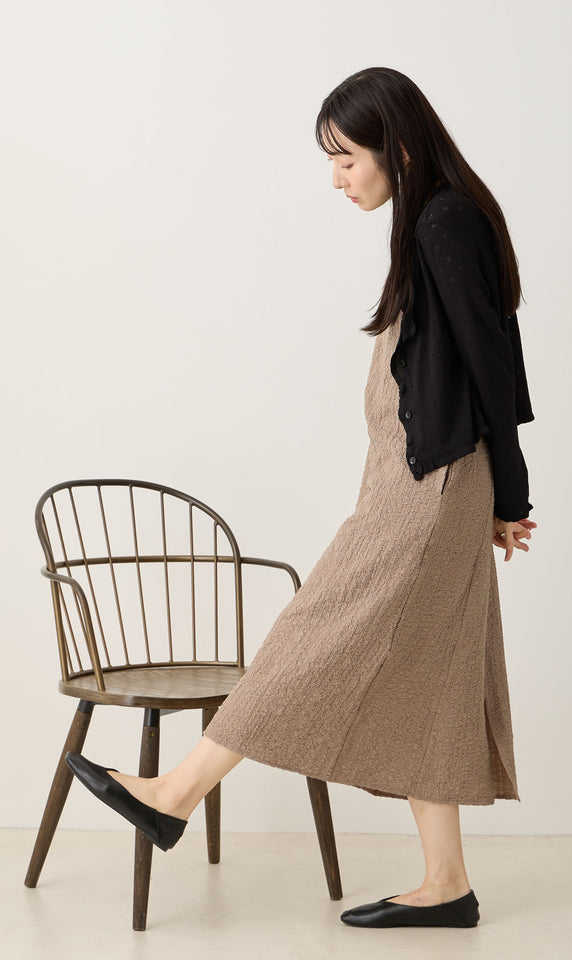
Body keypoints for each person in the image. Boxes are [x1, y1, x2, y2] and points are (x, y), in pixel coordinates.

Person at [66, 66, 537, 930]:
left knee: (313, 633)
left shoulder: (445, 221)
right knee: (433, 674)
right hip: (413, 480)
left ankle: (174, 794)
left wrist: (509, 493)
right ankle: (447, 884)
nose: (337, 177)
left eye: (346, 158)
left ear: (398, 147)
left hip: (430, 488)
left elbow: (492, 363)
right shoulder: (433, 219)